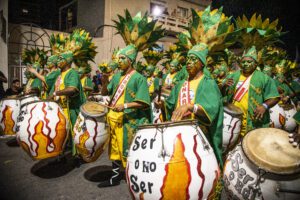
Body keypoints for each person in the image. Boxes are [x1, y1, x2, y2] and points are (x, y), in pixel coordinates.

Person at [156, 43, 224, 167]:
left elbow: (212, 110)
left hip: (198, 135)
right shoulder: (181, 83)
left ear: (202, 64)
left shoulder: (208, 83)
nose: (188, 62)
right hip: (178, 132)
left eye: (193, 59)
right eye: (187, 59)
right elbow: (170, 105)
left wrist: (190, 106)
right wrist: (162, 105)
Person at [99, 44, 151, 187]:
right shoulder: (116, 77)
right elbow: (104, 93)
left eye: (123, 58)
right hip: (114, 120)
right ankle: (115, 177)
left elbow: (144, 102)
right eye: (118, 58)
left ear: (131, 60)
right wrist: (104, 81)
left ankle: (133, 177)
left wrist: (125, 106)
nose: (119, 61)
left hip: (129, 121)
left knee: (129, 150)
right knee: (115, 150)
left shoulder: (139, 78)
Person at [222, 46, 280, 136]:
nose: (245, 64)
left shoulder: (265, 79)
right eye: (243, 62)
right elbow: (221, 94)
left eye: (249, 62)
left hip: (253, 120)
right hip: (233, 118)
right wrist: (222, 86)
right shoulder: (232, 76)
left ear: (256, 64)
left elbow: (275, 97)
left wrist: (264, 106)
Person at [49, 51, 86, 156]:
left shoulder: (72, 73)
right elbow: (52, 92)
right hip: (61, 109)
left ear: (68, 60)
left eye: (61, 59)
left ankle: (77, 156)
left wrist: (56, 93)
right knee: (61, 134)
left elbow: (72, 89)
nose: (58, 61)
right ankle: (62, 155)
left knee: (74, 134)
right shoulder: (59, 75)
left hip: (71, 110)